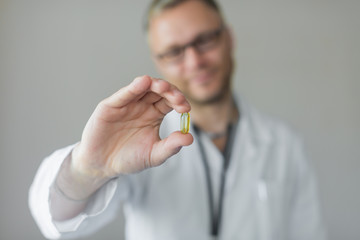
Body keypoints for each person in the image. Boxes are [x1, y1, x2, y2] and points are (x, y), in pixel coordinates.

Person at [29, 0, 327, 239]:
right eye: (174, 51)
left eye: (205, 40)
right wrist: (88, 169)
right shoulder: (139, 142)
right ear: (158, 61)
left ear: (229, 38)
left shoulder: (286, 145)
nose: (195, 61)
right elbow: (59, 220)